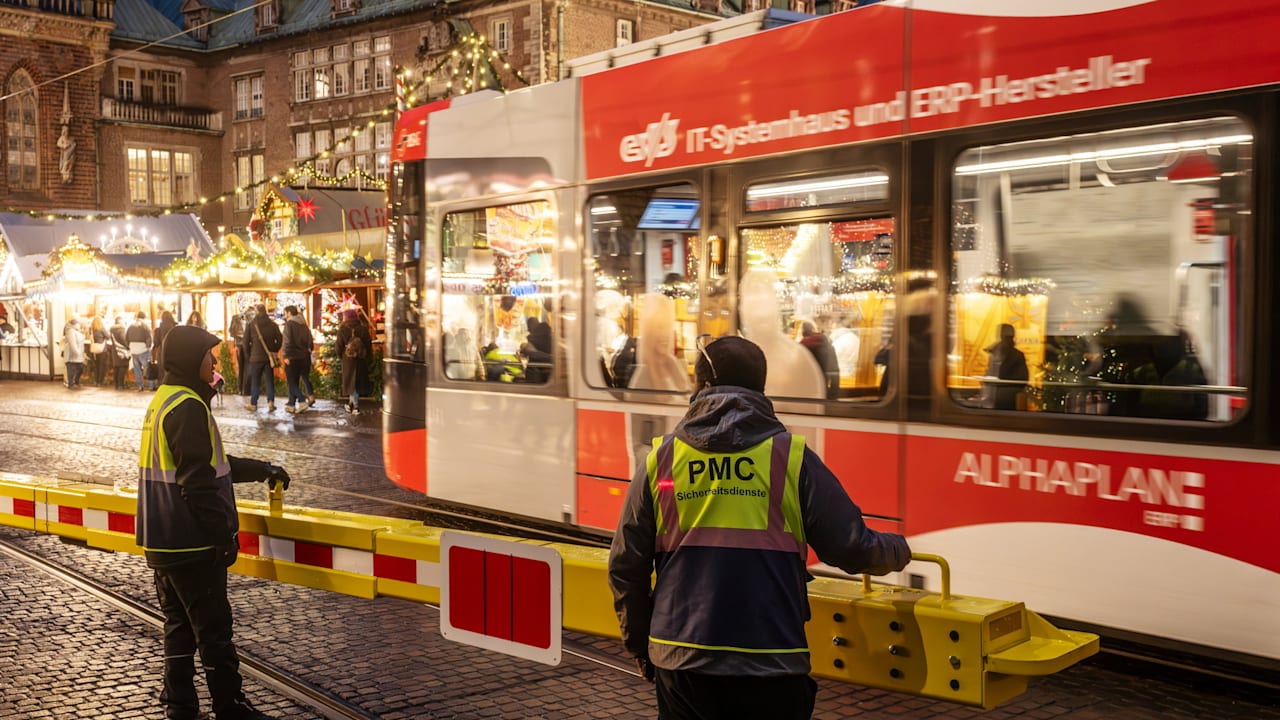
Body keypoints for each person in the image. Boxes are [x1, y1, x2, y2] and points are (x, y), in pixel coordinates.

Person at [608, 336, 911, 720]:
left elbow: (625, 566)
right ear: (761, 390)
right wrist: (901, 549)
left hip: (681, 654)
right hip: (772, 657)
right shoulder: (792, 458)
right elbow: (852, 549)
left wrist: (640, 645)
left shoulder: (662, 461)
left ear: (701, 387)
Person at [135, 325, 291, 720]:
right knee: (214, 631)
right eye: (210, 354)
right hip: (191, 541)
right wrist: (221, 535)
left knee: (179, 627)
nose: (215, 361)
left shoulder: (165, 400)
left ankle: (180, 704)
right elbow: (198, 481)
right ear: (191, 359)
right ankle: (230, 706)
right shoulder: (188, 405)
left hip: (163, 539)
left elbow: (209, 465)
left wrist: (261, 469)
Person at [243, 304, 282, 412]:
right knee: (270, 381)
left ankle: (254, 403)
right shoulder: (273, 325)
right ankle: (270, 402)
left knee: (255, 381)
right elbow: (280, 339)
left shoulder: (251, 325)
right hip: (269, 358)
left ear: (257, 311)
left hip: (255, 358)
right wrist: (274, 350)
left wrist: (249, 355)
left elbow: (245, 342)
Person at [982, 323, 1029, 410]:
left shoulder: (997, 353)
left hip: (1002, 397)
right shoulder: (996, 353)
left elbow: (1022, 379)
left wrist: (988, 381)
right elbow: (1023, 379)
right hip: (1001, 397)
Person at [280, 305, 316, 413]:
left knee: (291, 381)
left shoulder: (289, 324)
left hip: (293, 357)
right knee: (296, 380)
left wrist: (286, 355)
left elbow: (287, 341)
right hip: (304, 357)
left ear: (289, 313)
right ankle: (291, 404)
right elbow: (310, 340)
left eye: (285, 313)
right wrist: (309, 349)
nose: (285, 315)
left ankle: (302, 400)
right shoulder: (304, 324)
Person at [336, 309, 371, 414]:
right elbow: (368, 344)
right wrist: (366, 355)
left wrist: (340, 356)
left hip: (348, 360)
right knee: (357, 382)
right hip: (360, 359)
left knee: (351, 383)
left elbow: (338, 346)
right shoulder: (363, 329)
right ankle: (350, 404)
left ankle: (355, 407)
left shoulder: (342, 329)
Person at [798, 320, 840, 400]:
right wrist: (833, 394)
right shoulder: (828, 345)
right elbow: (835, 370)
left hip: (806, 391)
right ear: (814, 329)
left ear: (802, 332)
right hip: (823, 390)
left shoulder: (801, 348)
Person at [127, 312, 155, 392]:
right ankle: (151, 386)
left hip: (133, 349)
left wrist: (130, 347)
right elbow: (149, 337)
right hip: (143, 349)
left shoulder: (131, 326)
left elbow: (127, 338)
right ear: (144, 317)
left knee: (137, 369)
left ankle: (140, 386)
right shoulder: (145, 326)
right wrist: (149, 347)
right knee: (147, 367)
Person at [230, 308, 252, 396]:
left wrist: (235, 344)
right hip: (247, 345)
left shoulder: (235, 318)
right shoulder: (250, 318)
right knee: (247, 367)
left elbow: (231, 332)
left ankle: (240, 389)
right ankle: (245, 390)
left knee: (241, 367)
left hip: (239, 345)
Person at [154, 310, 178, 385]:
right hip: (173, 352)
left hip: (161, 352)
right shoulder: (175, 328)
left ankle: (162, 385)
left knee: (161, 370)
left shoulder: (158, 330)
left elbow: (156, 343)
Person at [62, 317, 86, 388]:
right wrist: (77, 353)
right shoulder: (70, 331)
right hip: (71, 356)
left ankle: (75, 382)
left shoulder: (75, 331)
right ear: (75, 324)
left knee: (80, 368)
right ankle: (71, 384)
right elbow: (73, 344)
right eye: (78, 324)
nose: (79, 325)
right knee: (72, 370)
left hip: (77, 355)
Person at [88, 315, 111, 387]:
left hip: (94, 349)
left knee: (96, 366)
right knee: (102, 366)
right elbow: (108, 336)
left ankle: (96, 380)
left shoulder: (91, 329)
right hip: (102, 349)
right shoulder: (102, 329)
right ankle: (100, 382)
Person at [110, 315, 131, 389]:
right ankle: (121, 384)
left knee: (117, 368)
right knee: (123, 367)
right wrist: (129, 346)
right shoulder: (121, 330)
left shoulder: (112, 330)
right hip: (122, 351)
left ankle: (116, 384)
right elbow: (124, 340)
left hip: (115, 351)